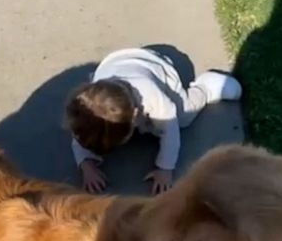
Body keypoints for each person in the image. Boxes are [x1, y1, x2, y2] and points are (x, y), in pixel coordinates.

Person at [65, 47, 242, 194]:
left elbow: (170, 131)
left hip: (158, 68)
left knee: (182, 117)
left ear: (135, 116)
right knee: (98, 129)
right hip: (115, 62)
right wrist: (86, 164)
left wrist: (165, 168)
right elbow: (80, 137)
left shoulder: (153, 97)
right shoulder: (87, 109)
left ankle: (205, 89)